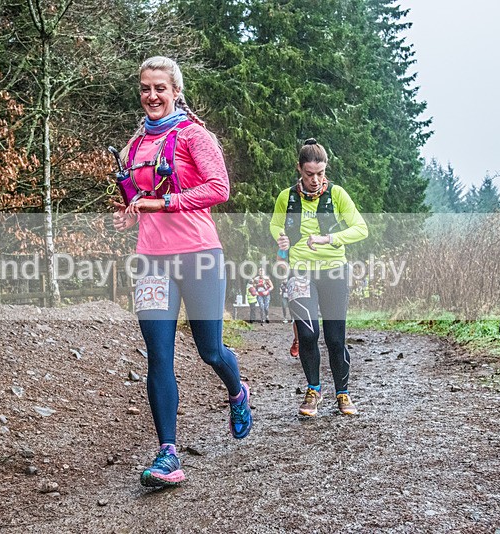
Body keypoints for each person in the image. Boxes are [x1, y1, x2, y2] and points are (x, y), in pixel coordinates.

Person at [112, 56, 252, 488]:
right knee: (159, 355)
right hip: (153, 260)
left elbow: (219, 189)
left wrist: (163, 204)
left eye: (160, 88)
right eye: (144, 88)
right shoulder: (133, 147)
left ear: (175, 91)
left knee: (209, 350)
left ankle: (237, 390)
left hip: (199, 256)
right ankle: (168, 454)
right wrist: (131, 214)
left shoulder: (195, 135)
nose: (151, 96)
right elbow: (140, 198)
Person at [270, 138, 368, 417]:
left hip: (335, 270)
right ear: (299, 169)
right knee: (308, 333)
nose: (315, 180)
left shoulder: (337, 195)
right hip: (299, 271)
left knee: (335, 339)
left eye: (321, 173)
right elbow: (276, 225)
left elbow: (361, 228)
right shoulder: (286, 197)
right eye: (309, 174)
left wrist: (330, 238)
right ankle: (313, 390)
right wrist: (281, 242)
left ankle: (343, 394)